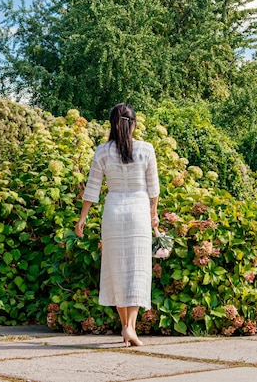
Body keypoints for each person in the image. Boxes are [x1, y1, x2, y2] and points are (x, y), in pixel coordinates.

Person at [74, 103, 160, 347]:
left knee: (117, 270)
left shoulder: (103, 151)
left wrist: (82, 218)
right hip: (138, 212)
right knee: (137, 270)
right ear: (133, 123)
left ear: (112, 124)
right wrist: (154, 214)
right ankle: (130, 327)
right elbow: (153, 189)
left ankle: (126, 326)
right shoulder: (146, 149)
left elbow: (91, 189)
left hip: (113, 212)